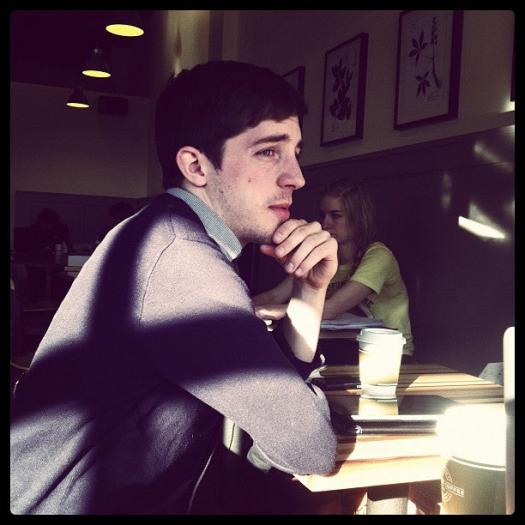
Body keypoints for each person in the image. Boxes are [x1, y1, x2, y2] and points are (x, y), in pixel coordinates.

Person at [10, 61, 339, 515]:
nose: (296, 177)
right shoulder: (180, 258)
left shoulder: (163, 234)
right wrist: (302, 405)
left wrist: (310, 289)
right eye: (269, 151)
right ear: (196, 166)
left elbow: (282, 408)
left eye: (295, 152)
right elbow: (310, 447)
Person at [253, 178, 413, 358]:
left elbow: (330, 309)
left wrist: (266, 312)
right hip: (342, 347)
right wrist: (239, 308)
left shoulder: (379, 256)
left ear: (358, 219)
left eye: (335, 216)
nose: (325, 223)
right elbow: (275, 296)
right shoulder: (323, 256)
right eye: (323, 216)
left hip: (390, 354)